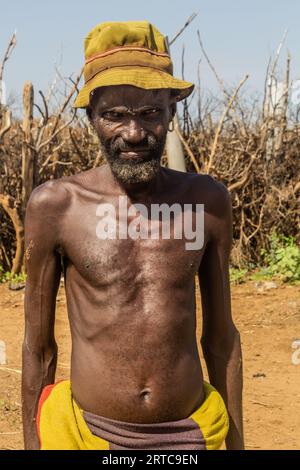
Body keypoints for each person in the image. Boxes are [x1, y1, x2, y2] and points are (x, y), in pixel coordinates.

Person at [22, 21, 244, 450]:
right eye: (114, 115)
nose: (134, 134)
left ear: (172, 112)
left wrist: (235, 443)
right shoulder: (57, 206)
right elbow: (38, 348)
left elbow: (221, 338)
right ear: (91, 116)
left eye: (150, 114)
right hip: (87, 435)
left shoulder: (207, 202)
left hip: (192, 435)